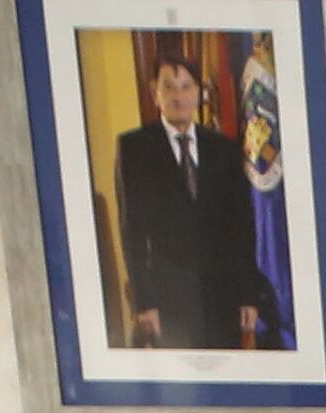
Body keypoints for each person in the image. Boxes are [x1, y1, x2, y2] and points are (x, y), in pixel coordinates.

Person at [112, 52, 271, 348]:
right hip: (167, 304)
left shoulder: (223, 148)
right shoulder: (134, 148)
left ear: (199, 93)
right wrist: (145, 305)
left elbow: (242, 228)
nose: (178, 96)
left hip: (222, 299)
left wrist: (248, 295)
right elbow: (131, 232)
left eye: (186, 87)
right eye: (169, 87)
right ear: (154, 93)